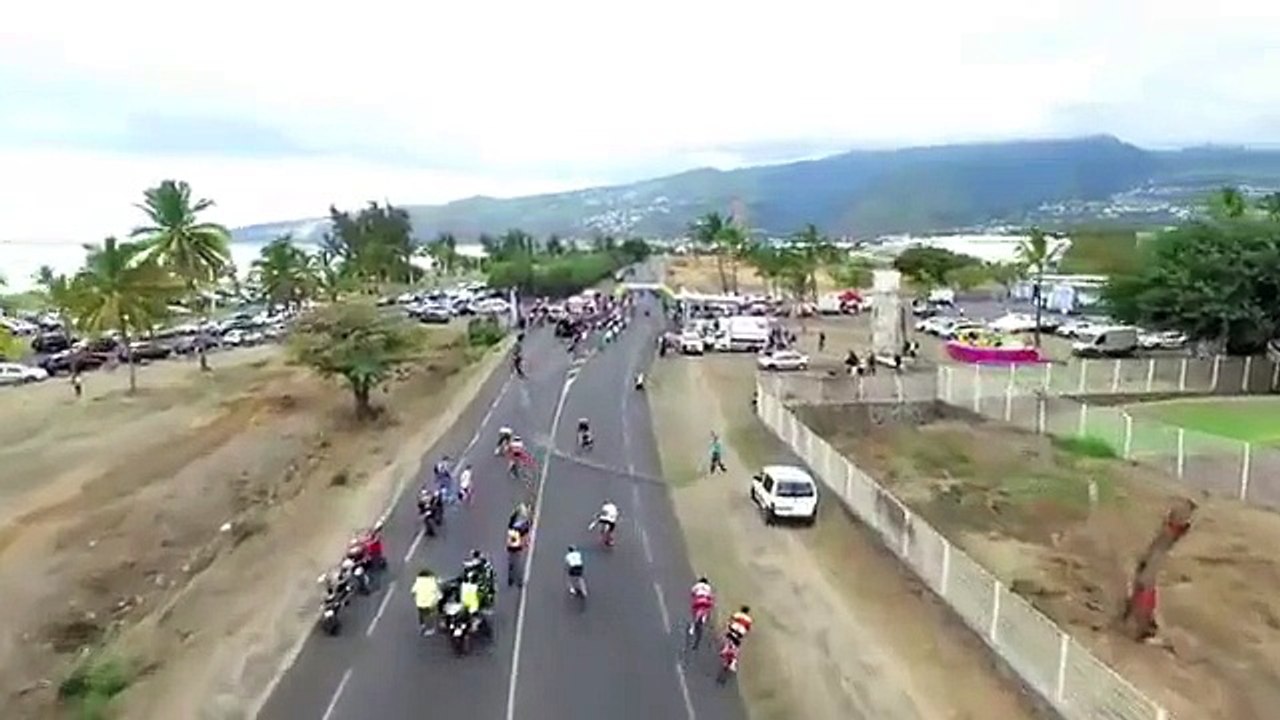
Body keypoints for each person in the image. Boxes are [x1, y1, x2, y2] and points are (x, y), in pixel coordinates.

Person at [412, 567, 442, 635]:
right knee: (435, 612)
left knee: (421, 613)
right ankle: (435, 626)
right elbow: (436, 590)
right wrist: (439, 596)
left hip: (420, 603)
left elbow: (413, 591)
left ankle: (422, 625)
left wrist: (416, 598)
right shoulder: (432, 581)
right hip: (430, 603)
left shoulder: (418, 581)